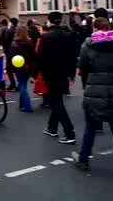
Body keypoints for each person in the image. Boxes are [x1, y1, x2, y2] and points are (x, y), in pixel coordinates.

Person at [71, 18, 113, 182]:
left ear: (94, 28)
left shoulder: (88, 45)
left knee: (90, 128)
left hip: (94, 91)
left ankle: (84, 159)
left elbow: (82, 66)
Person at [38, 11, 77, 144]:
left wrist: (41, 74)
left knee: (57, 102)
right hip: (63, 73)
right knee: (57, 100)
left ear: (49, 21)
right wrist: (71, 73)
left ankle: (69, 132)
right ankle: (52, 127)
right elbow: (72, 56)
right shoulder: (68, 35)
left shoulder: (46, 37)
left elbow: (41, 58)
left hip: (50, 74)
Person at [10, 25, 36, 113]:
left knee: (22, 85)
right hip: (28, 67)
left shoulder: (14, 43)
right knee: (23, 84)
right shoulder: (30, 42)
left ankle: (27, 106)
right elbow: (33, 56)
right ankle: (21, 104)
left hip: (18, 67)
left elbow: (11, 57)